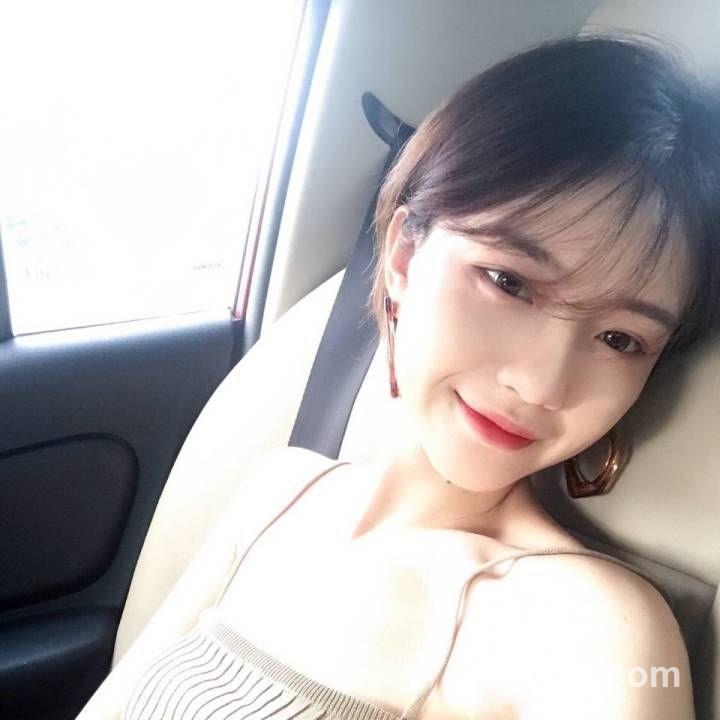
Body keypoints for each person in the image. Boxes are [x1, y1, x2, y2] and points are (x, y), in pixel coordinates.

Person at [80, 33, 719, 720]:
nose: (540, 386)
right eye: (509, 282)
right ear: (404, 256)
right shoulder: (280, 492)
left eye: (620, 339)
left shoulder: (594, 635)